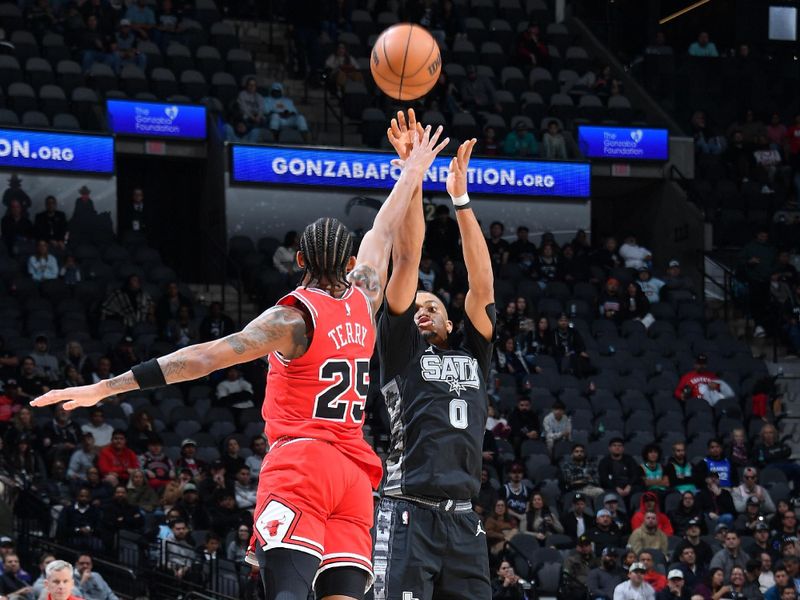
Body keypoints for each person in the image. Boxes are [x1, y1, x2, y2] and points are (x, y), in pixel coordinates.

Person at [34, 123, 448, 600]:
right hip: (355, 473)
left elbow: (202, 359)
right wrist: (414, 170)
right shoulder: (367, 294)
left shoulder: (291, 320)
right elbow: (386, 230)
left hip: (302, 465)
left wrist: (103, 387)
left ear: (298, 260)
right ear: (350, 262)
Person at [374, 112, 494, 598]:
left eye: (434, 305)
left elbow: (481, 281)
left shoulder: (475, 354)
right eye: (416, 305)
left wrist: (461, 201)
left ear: (450, 321)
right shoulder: (401, 350)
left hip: (464, 522)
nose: (422, 309)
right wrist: (413, 175)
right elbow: (408, 257)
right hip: (408, 512)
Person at [598, 438, 642, 502]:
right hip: (612, 486)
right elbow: (604, 478)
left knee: (638, 490)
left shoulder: (630, 459)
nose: (617, 447)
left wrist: (629, 486)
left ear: (623, 448)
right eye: (614, 445)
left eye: (619, 446)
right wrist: (616, 488)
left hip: (628, 485)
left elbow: (635, 474)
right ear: (609, 448)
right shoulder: (604, 462)